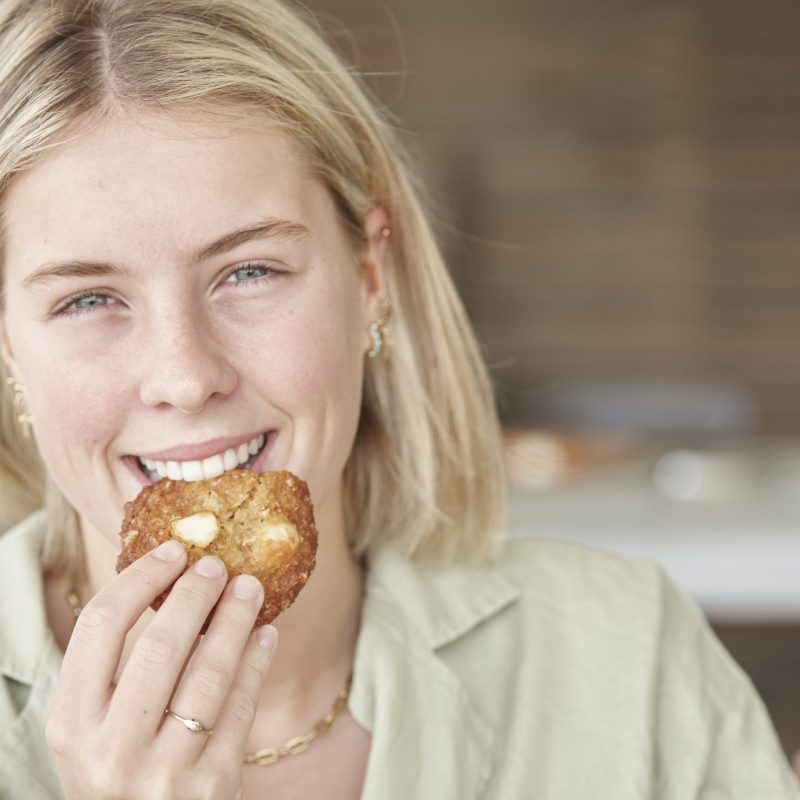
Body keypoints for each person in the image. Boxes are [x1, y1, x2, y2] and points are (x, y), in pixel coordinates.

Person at [0, 1, 796, 798]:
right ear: (8, 347)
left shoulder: (623, 655)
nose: (184, 376)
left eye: (250, 271)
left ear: (370, 279)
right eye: (87, 300)